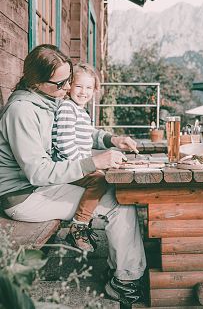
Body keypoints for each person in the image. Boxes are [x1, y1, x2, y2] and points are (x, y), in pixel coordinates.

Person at [0, 44, 145, 305]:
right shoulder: (22, 111)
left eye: (69, 80)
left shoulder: (48, 100)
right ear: (36, 81)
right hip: (23, 197)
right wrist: (91, 163)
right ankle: (124, 282)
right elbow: (37, 172)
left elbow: (80, 129)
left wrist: (113, 139)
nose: (68, 88)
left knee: (117, 194)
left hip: (41, 187)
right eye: (61, 83)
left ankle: (120, 270)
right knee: (118, 204)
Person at [52, 62, 108, 252]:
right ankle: (79, 225)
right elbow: (65, 145)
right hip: (67, 167)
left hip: (77, 165)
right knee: (100, 180)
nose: (84, 91)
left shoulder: (81, 111)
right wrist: (89, 166)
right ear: (69, 86)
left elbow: (86, 140)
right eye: (79, 86)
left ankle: (85, 223)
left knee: (103, 176)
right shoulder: (68, 108)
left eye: (89, 87)